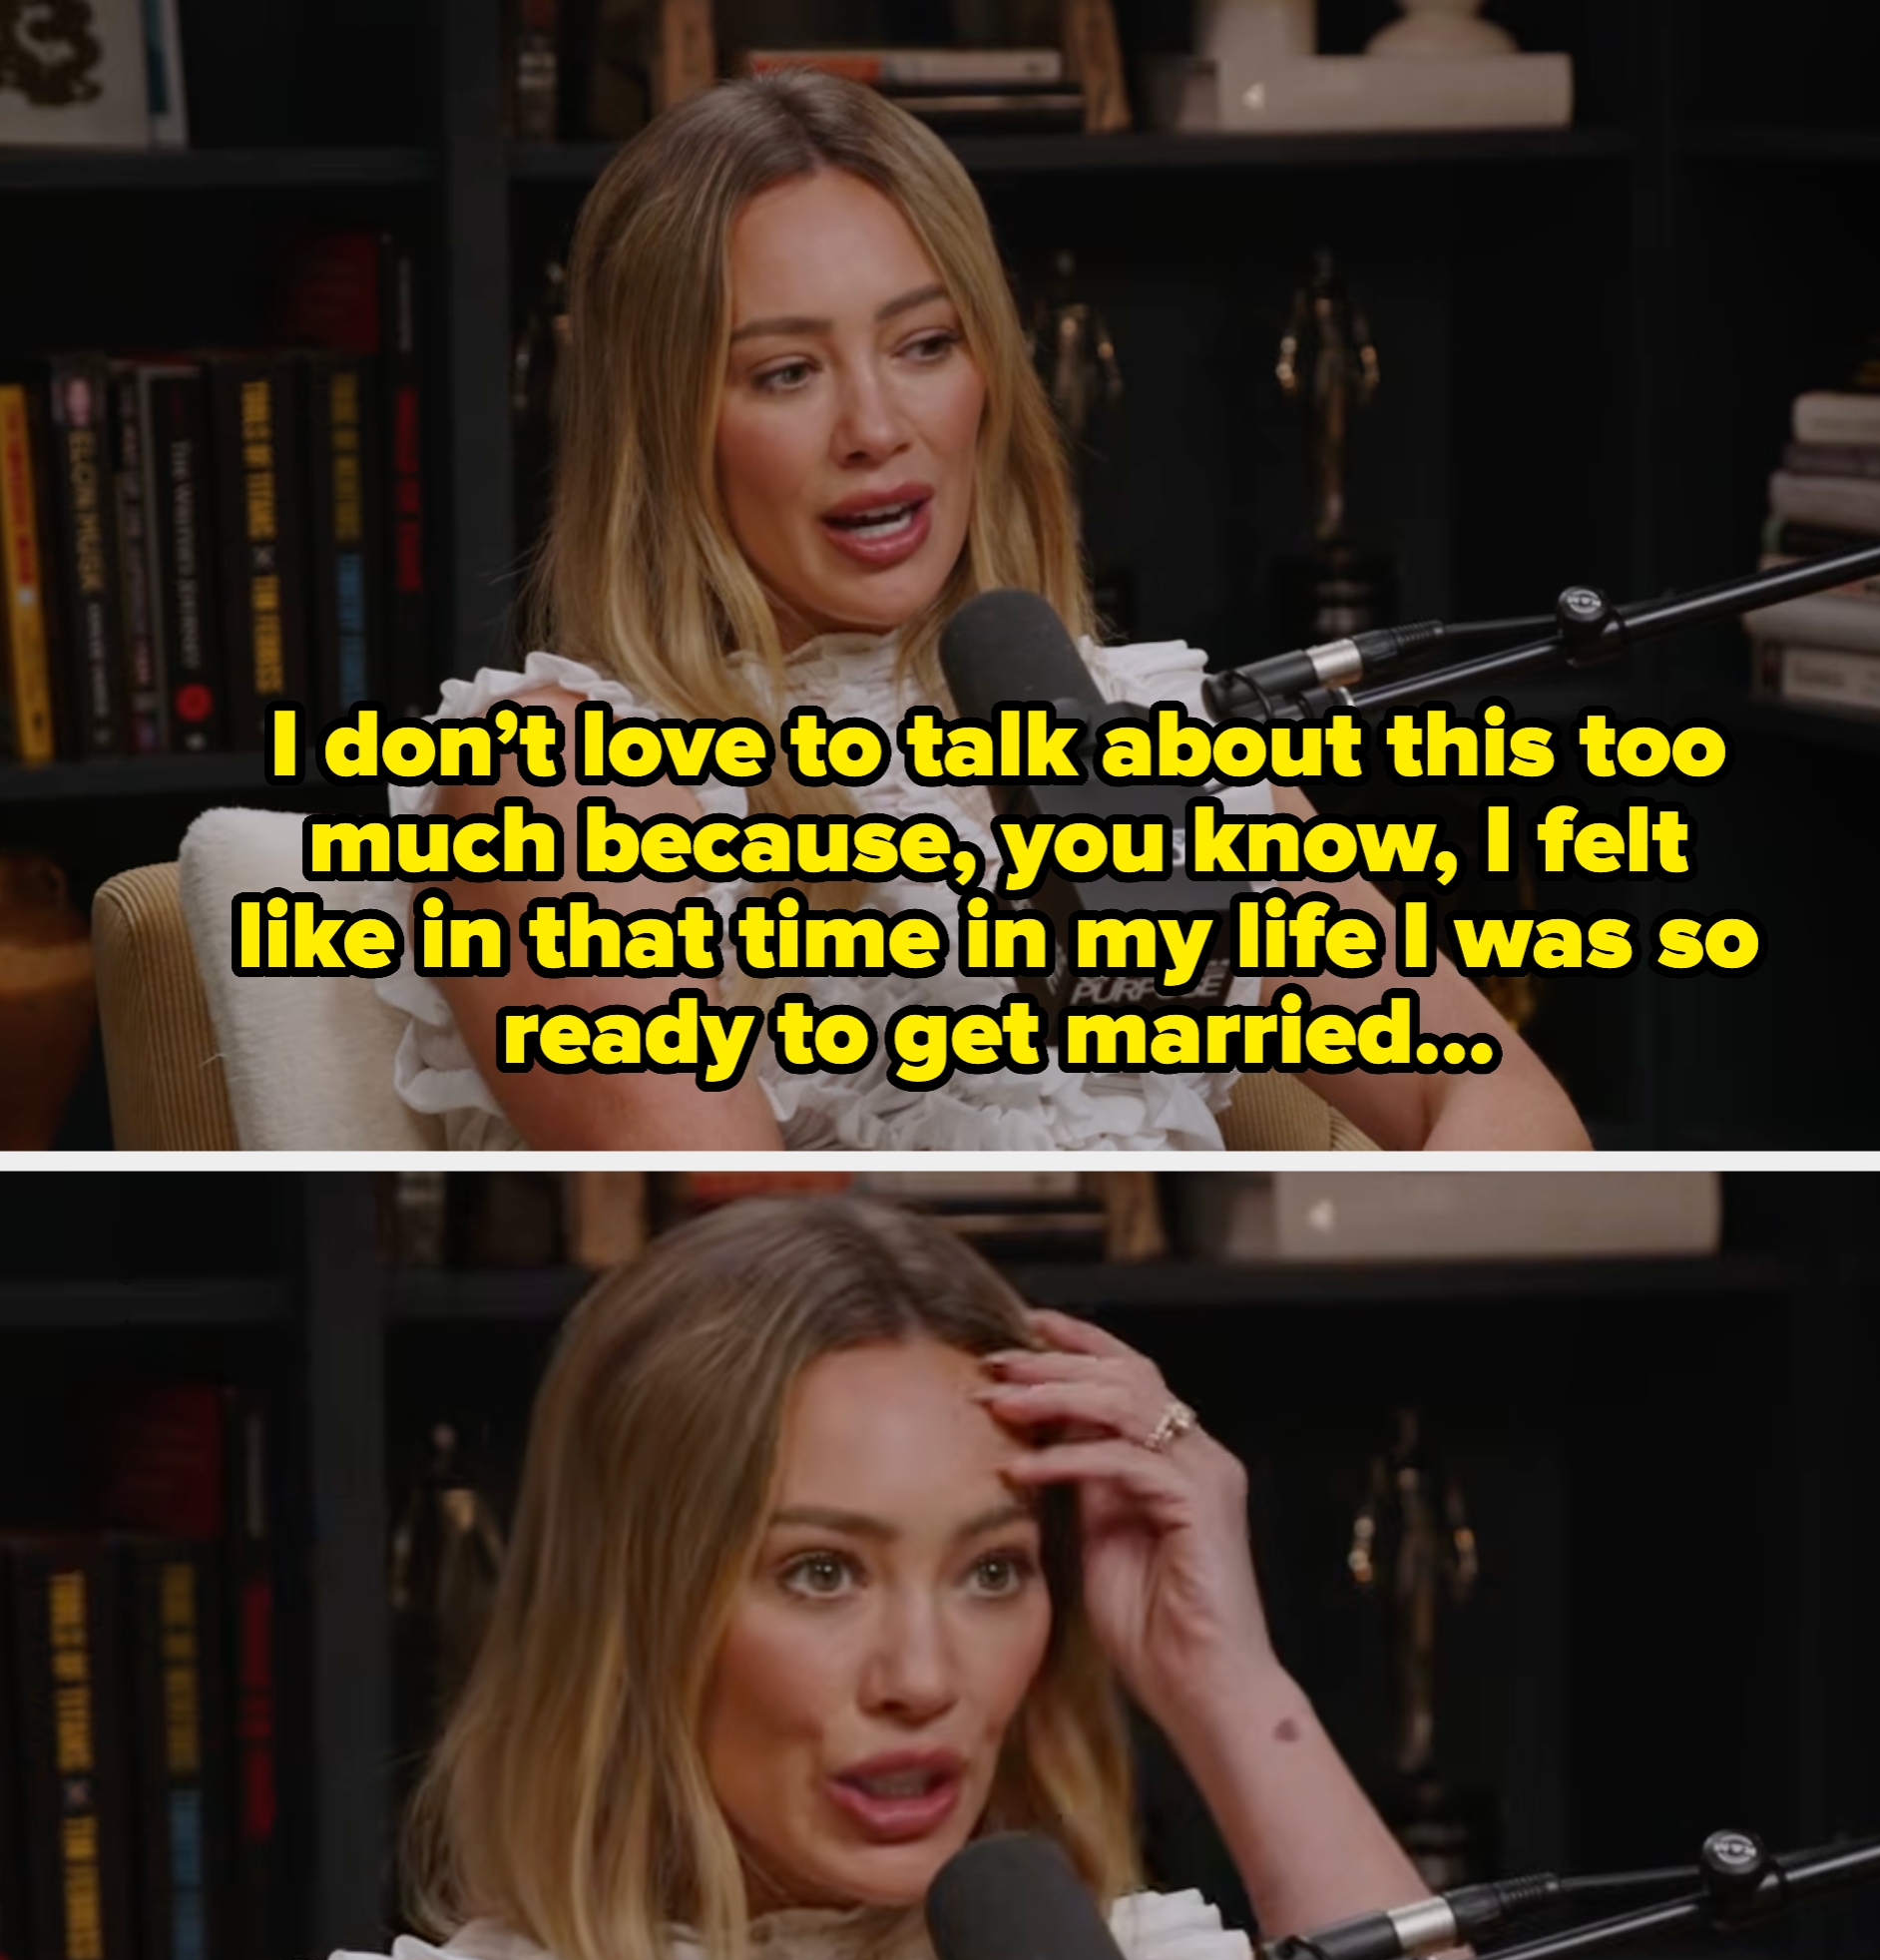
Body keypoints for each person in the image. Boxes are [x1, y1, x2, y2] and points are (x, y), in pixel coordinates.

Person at [215, 1197, 1586, 1960]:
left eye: (992, 1568)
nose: (924, 1676)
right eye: (820, 1570)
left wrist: (1229, 1678)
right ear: (635, 1614)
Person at [362, 73, 1589, 1155]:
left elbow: (1505, 1113)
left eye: (925, 344)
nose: (877, 428)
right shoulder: (561, 776)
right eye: (786, 371)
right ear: (663, 427)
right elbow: (742, 1226)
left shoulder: (1150, 733)